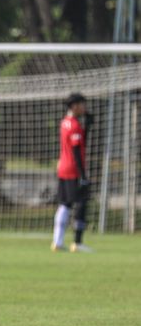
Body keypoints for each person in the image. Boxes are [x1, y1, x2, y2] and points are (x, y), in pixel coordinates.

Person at [52, 93, 92, 253]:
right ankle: (77, 242)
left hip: (62, 167)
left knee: (65, 204)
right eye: (82, 104)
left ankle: (57, 242)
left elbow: (80, 143)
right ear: (74, 106)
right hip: (73, 169)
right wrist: (83, 174)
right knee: (82, 202)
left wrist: (87, 127)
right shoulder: (74, 125)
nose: (84, 107)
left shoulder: (65, 123)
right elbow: (76, 150)